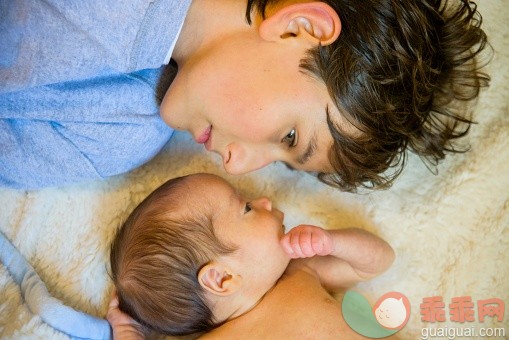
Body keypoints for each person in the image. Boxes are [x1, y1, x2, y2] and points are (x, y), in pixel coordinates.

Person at [1, 0, 490, 191]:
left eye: (281, 161)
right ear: (299, 26)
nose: (235, 166)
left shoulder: (121, 133)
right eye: (290, 136)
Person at [108, 173, 395, 338]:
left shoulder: (300, 272)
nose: (264, 200)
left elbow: (377, 262)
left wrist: (332, 242)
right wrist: (128, 333)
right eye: (246, 208)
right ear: (221, 278)